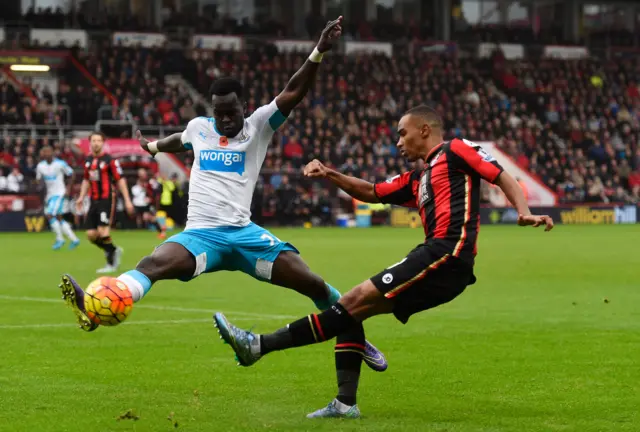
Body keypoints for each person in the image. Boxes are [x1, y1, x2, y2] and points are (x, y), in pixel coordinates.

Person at [59, 17, 387, 374]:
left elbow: (294, 92)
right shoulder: (200, 128)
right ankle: (97, 306)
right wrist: (152, 146)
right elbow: (179, 142)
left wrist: (319, 50)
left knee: (311, 282)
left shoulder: (260, 125)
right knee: (152, 265)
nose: (226, 119)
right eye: (219, 112)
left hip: (246, 237)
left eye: (232, 111)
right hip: (201, 237)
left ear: (244, 106)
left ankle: (353, 331)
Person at [213, 105, 555, 419]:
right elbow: (371, 191)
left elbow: (500, 174)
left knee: (353, 302)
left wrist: (522, 211)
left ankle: (258, 346)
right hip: (437, 260)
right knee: (349, 310)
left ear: (424, 130)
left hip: (447, 254)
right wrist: (330, 173)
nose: (398, 142)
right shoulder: (418, 178)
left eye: (402, 133)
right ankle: (345, 404)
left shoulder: (455, 150)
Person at [75, 132, 135, 273]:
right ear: (90, 143)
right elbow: (86, 180)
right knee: (90, 234)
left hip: (106, 199)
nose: (96, 143)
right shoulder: (88, 160)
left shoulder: (110, 161)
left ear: (103, 143)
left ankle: (110, 264)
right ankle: (113, 250)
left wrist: (127, 200)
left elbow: (120, 180)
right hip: (93, 200)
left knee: (103, 231)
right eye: (93, 141)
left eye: (99, 140)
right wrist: (81, 197)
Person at [35, 146, 80, 250]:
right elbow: (39, 180)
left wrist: (69, 189)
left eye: (48, 152)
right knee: (59, 217)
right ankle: (74, 239)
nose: (46, 154)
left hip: (59, 193)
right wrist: (37, 184)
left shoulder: (60, 164)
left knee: (50, 214)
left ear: (52, 153)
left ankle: (60, 239)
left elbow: (72, 174)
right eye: (44, 152)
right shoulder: (40, 166)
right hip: (50, 195)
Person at [131, 168, 166, 238]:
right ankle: (161, 229)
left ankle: (162, 230)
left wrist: (151, 198)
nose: (142, 176)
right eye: (140, 174)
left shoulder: (150, 182)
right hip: (141, 203)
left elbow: (157, 191)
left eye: (143, 174)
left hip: (150, 203)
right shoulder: (138, 182)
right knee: (145, 217)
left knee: (149, 217)